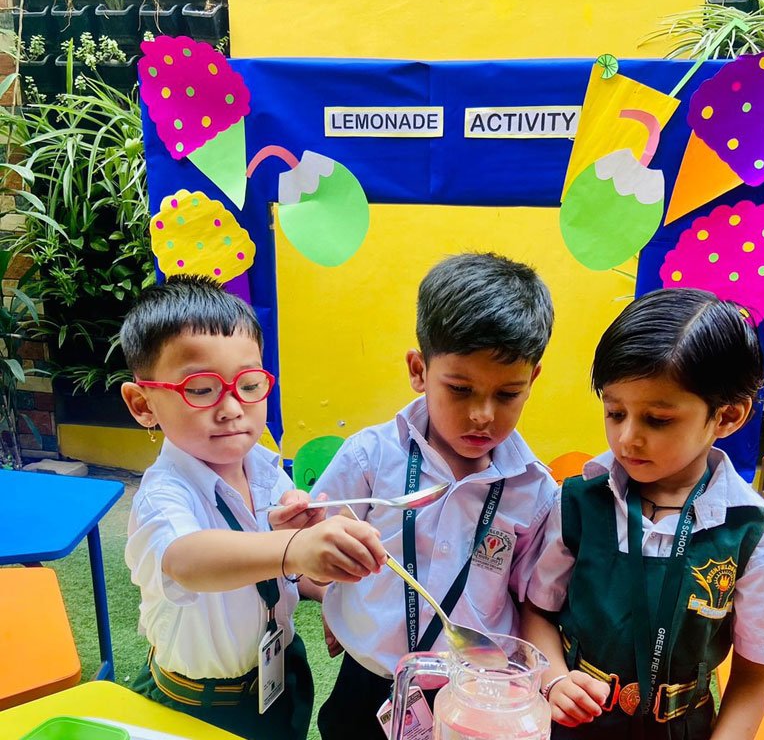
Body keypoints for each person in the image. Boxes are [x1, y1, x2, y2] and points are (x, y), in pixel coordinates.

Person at [524, 288, 764, 740]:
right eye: (615, 412)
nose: (628, 438)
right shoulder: (575, 503)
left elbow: (754, 675)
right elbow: (537, 611)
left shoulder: (757, 537)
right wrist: (554, 679)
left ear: (727, 417)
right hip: (573, 725)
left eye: (657, 419)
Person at [119, 274, 387, 740]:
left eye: (248, 384)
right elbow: (188, 560)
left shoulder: (265, 469)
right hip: (198, 703)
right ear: (143, 404)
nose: (231, 408)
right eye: (201, 389)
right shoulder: (163, 493)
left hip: (280, 677)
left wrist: (330, 586)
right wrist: (294, 547)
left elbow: (286, 577)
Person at [310, 252, 559, 740]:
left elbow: (532, 603)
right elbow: (314, 557)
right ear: (419, 370)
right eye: (460, 389)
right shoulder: (370, 458)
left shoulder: (534, 492)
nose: (483, 414)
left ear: (532, 381)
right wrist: (328, 587)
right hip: (370, 682)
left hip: (476, 694)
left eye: (507, 394)